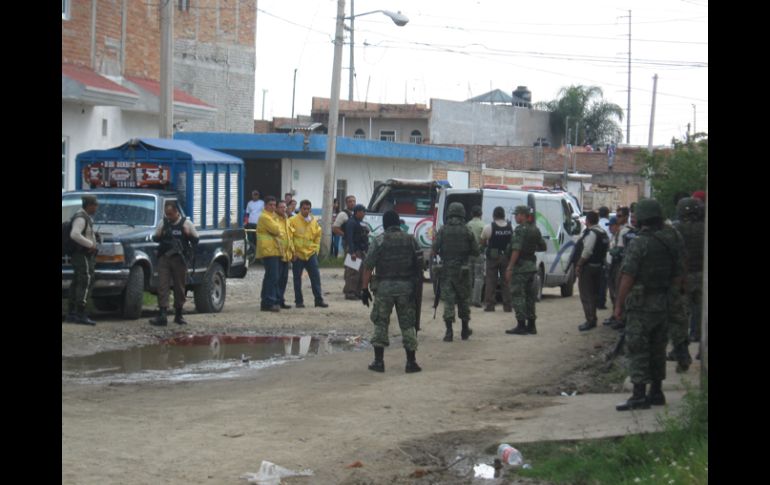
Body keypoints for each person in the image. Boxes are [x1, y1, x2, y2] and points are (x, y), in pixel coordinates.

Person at [613, 199, 683, 411]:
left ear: (642, 218)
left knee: (638, 348)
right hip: (663, 301)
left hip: (641, 304)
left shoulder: (640, 242)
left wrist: (619, 304)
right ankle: (656, 392)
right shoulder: (672, 238)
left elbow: (628, 275)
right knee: (658, 348)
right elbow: (680, 272)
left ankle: (639, 395)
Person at [360, 210, 423, 373]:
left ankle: (379, 362)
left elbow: (368, 266)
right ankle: (411, 362)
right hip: (406, 288)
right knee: (408, 324)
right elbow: (420, 265)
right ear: (399, 222)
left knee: (381, 323)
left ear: (385, 224)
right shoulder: (411, 240)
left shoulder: (379, 240)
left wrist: (363, 289)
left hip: (384, 288)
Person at [666, 197, 705, 372]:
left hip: (683, 279)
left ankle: (681, 356)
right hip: (703, 276)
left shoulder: (676, 229)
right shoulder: (704, 228)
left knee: (680, 319)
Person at [431, 202, 479, 341]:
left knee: (449, 301)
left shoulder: (443, 230)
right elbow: (475, 251)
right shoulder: (467, 230)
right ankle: (464, 330)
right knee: (463, 300)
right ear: (462, 213)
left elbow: (434, 249)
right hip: (462, 271)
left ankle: (449, 332)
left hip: (446, 271)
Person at [149, 201, 200, 326]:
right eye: (167, 214)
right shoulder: (164, 223)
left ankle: (178, 314)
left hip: (179, 260)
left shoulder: (186, 223)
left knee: (179, 287)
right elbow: (155, 237)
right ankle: (162, 314)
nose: (169, 217)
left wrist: (188, 234)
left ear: (177, 212)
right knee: (163, 286)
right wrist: (159, 236)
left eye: (171, 214)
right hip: (164, 258)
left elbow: (196, 240)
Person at [504, 206, 546, 335]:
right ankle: (531, 325)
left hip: (520, 268)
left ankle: (521, 325)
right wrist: (530, 250)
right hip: (531, 267)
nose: (516, 217)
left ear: (523, 215)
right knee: (530, 297)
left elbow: (516, 249)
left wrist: (510, 267)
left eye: (517, 215)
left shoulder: (520, 230)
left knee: (518, 296)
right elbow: (542, 246)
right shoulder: (535, 230)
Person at [66, 195, 100, 325]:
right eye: (95, 205)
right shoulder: (81, 217)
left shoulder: (85, 217)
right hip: (82, 255)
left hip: (83, 255)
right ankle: (80, 313)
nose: (96, 208)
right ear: (89, 205)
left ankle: (72, 313)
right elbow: (74, 234)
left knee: (77, 282)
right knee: (85, 280)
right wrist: (90, 244)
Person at [289, 200, 328, 308]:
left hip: (311, 253)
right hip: (298, 254)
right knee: (297, 278)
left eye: (308, 208)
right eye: (304, 208)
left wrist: (316, 250)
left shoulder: (313, 220)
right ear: (300, 209)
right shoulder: (293, 220)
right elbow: (289, 237)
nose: (306, 211)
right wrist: (293, 252)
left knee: (315, 277)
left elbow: (317, 235)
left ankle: (318, 300)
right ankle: (298, 301)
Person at [576, 211, 609, 331]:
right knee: (594, 294)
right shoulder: (603, 233)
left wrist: (579, 264)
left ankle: (590, 320)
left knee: (586, 294)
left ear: (587, 221)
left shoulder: (591, 233)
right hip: (599, 266)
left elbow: (587, 251)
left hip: (589, 268)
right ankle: (592, 318)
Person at [480, 206, 513, 312]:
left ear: (493, 216)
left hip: (493, 257)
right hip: (506, 257)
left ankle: (490, 305)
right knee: (506, 281)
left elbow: (482, 242)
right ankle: (507, 306)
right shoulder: (510, 227)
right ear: (504, 215)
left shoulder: (489, 227)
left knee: (490, 281)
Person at [257, 196, 282, 312]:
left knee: (270, 277)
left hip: (273, 250)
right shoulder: (265, 217)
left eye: (274, 205)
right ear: (265, 206)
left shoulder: (272, 217)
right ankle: (268, 302)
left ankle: (267, 301)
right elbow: (277, 230)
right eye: (270, 205)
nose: (273, 207)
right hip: (268, 250)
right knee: (272, 277)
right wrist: (278, 227)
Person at [344, 204, 370, 300]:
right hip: (354, 249)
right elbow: (349, 238)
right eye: (363, 212)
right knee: (352, 272)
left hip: (361, 249)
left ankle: (357, 291)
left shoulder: (360, 222)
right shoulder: (351, 222)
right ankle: (350, 292)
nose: (364, 214)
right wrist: (352, 252)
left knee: (361, 271)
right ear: (358, 212)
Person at [274, 200, 295, 309]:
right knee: (276, 279)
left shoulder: (287, 219)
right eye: (281, 207)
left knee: (284, 279)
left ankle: (281, 300)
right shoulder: (274, 220)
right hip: (278, 254)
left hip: (286, 255)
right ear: (277, 209)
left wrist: (292, 252)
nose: (284, 209)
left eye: (285, 207)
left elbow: (289, 237)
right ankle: (275, 301)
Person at [466, 206, 486, 308]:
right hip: (479, 254)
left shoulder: (468, 225)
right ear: (481, 214)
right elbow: (485, 240)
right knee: (478, 277)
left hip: (469, 254)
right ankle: (477, 300)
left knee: (469, 277)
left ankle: (468, 299)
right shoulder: (483, 225)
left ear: (471, 214)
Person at [596, 206, 611, 310]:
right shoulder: (609, 225)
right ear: (607, 214)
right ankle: (601, 302)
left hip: (594, 256)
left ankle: (595, 301)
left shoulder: (596, 225)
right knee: (603, 281)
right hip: (606, 257)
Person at [244, 190, 264, 256]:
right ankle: (252, 250)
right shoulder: (249, 203)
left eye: (256, 194)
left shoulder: (262, 202)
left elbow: (264, 213)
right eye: (254, 194)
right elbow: (247, 213)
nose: (255, 196)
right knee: (250, 237)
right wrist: (246, 221)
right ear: (252, 195)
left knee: (257, 238)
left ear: (258, 195)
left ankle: (258, 251)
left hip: (258, 223)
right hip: (250, 223)